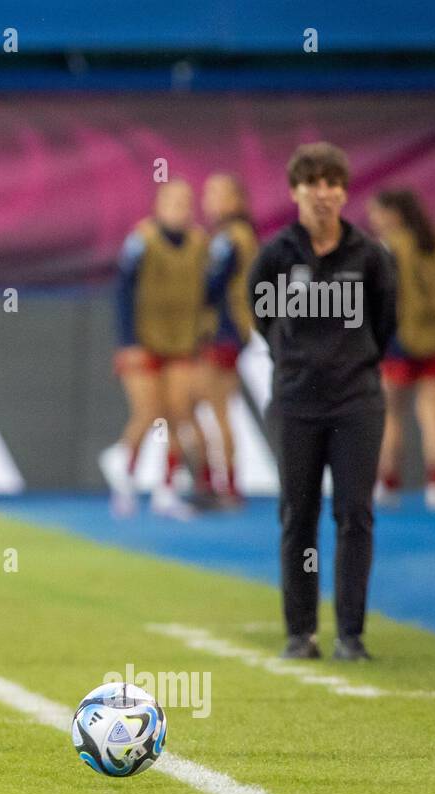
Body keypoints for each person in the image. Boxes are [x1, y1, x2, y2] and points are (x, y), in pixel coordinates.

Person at [249, 142, 396, 661]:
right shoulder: (275, 255)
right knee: (298, 514)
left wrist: (351, 364)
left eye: (333, 183)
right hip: (296, 403)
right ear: (294, 192)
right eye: (313, 183)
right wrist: (295, 360)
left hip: (356, 402)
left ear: (345, 192)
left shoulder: (370, 256)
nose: (324, 194)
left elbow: (384, 325)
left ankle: (350, 633)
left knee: (355, 514)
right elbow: (261, 316)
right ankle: (301, 630)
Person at [99, 179, 210, 519]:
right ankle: (125, 476)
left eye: (186, 202)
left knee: (178, 413)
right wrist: (128, 342)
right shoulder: (141, 240)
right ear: (158, 206)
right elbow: (123, 291)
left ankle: (166, 489)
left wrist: (204, 331)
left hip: (182, 341)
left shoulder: (200, 243)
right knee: (148, 412)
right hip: (144, 340)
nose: (181, 209)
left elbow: (210, 290)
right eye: (173, 202)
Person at [366, 189, 435, 512]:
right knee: (433, 414)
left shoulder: (390, 247)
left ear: (395, 214)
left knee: (391, 415)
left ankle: (388, 484)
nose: (373, 221)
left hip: (401, 341)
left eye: (377, 213)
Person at [201, 172, 260, 507]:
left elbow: (210, 286)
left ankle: (222, 483)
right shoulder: (236, 235)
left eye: (217, 194)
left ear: (237, 201)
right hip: (231, 332)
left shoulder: (230, 237)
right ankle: (220, 481)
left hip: (220, 332)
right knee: (213, 408)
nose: (208, 201)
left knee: (212, 409)